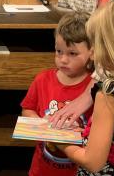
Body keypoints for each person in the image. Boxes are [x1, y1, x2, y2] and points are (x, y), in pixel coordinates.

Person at [56, 0, 114, 175]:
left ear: (113, 48)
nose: (92, 54)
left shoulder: (109, 95)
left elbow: (93, 162)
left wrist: (63, 143)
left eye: (96, 44)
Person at [21, 12, 94, 176]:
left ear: (92, 52)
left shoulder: (96, 88)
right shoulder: (42, 80)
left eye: (72, 53)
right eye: (58, 51)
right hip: (42, 169)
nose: (63, 59)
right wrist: (42, 124)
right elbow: (28, 109)